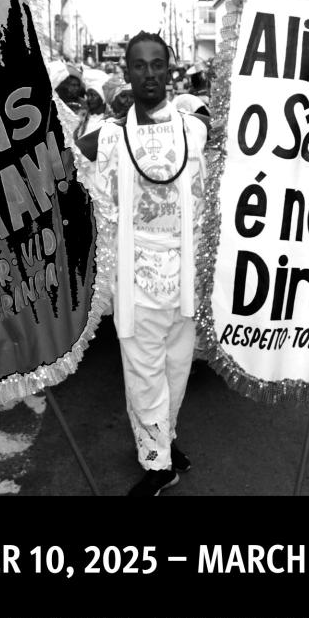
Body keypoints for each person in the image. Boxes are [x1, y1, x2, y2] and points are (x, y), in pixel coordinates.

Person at [76, 32, 208, 495]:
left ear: (169, 70)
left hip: (186, 280)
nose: (149, 73)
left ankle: (165, 443)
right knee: (144, 376)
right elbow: (78, 172)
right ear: (126, 72)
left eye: (157, 64)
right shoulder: (109, 137)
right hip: (137, 281)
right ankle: (157, 465)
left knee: (176, 371)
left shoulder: (195, 129)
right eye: (139, 65)